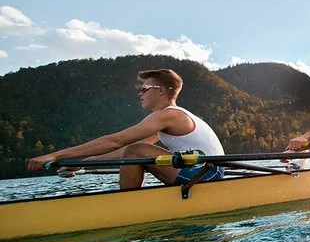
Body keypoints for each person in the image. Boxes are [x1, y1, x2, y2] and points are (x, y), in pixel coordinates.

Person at [27, 69, 225, 189]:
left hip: (206, 174)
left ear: (161, 91)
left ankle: (127, 204)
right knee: (135, 150)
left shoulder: (168, 115)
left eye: (144, 89)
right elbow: (124, 153)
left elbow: (115, 141)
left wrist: (55, 156)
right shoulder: (169, 119)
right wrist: (81, 163)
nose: (140, 94)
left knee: (136, 150)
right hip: (205, 171)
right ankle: (129, 201)